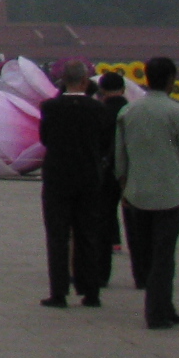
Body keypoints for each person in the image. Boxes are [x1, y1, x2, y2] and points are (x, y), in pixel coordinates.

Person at [113, 56, 179, 329]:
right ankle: (157, 311)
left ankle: (165, 305)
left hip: (137, 192)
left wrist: (123, 184)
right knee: (164, 255)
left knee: (147, 253)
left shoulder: (128, 112)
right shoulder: (178, 113)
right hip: (168, 194)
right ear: (171, 80)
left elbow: (121, 154)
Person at [37, 59, 114, 307]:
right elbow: (105, 144)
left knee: (58, 236)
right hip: (89, 177)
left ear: (62, 80)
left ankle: (59, 292)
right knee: (88, 234)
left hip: (57, 176)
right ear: (85, 81)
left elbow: (45, 138)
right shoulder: (98, 109)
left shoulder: (50, 107)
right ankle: (91, 291)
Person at [91, 69, 133, 292]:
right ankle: (142, 274)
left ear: (102, 90)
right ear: (123, 89)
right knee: (135, 223)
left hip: (105, 172)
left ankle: (101, 274)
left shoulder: (99, 112)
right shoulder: (132, 111)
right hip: (131, 173)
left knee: (103, 220)